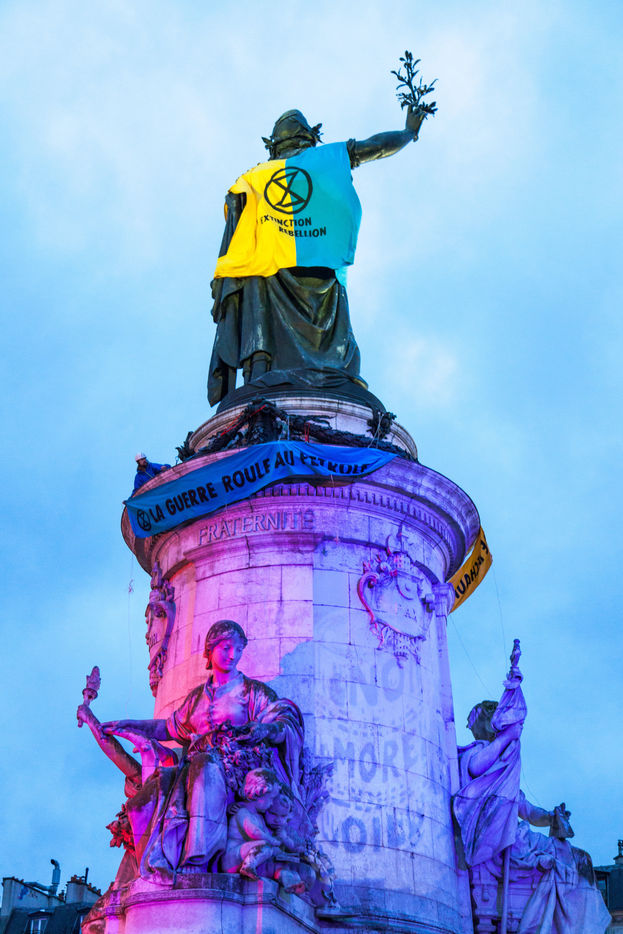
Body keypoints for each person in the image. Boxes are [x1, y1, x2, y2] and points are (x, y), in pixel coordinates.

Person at [208, 106, 427, 405]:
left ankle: (259, 369)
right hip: (321, 261)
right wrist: (409, 131)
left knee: (254, 276)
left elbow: (235, 240)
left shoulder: (253, 178)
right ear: (311, 137)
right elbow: (376, 146)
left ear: (273, 144)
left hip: (269, 269)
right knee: (313, 306)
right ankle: (334, 371)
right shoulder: (328, 158)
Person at [101, 620, 305, 882]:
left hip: (235, 768)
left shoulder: (252, 692)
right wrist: (130, 725)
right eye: (226, 647)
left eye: (238, 649)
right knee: (151, 791)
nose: (232, 655)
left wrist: (265, 730)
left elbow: (283, 723)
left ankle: (198, 858)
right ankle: (153, 865)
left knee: (204, 766)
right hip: (194, 766)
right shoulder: (197, 697)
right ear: (210, 649)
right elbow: (168, 727)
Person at [455, 700, 611, 934]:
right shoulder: (476, 752)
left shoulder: (504, 767)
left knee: (581, 858)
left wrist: (551, 817)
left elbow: (527, 811)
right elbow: (475, 767)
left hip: (515, 836)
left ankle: (581, 922)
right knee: (577, 861)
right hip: (500, 839)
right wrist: (507, 738)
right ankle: (575, 921)